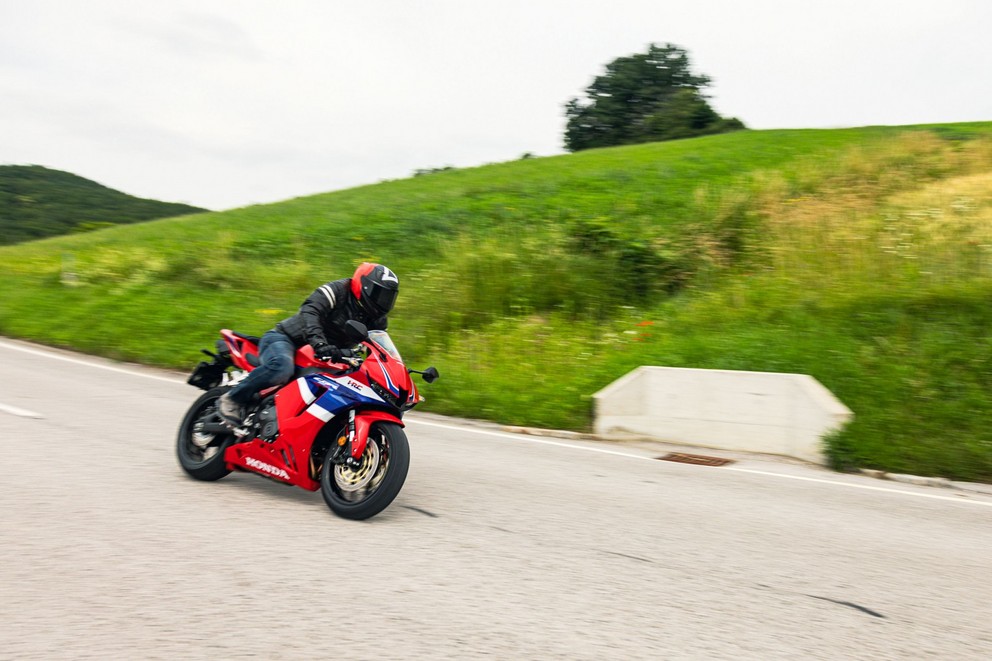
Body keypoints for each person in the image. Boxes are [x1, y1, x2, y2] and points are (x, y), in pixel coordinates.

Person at [217, 262, 399, 426]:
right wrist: (319, 343)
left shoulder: (377, 321)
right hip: (287, 340)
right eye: (379, 293)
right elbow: (310, 311)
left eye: (388, 297)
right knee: (282, 367)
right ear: (363, 285)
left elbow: (377, 348)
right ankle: (233, 398)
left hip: (330, 357)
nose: (383, 301)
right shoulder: (339, 290)